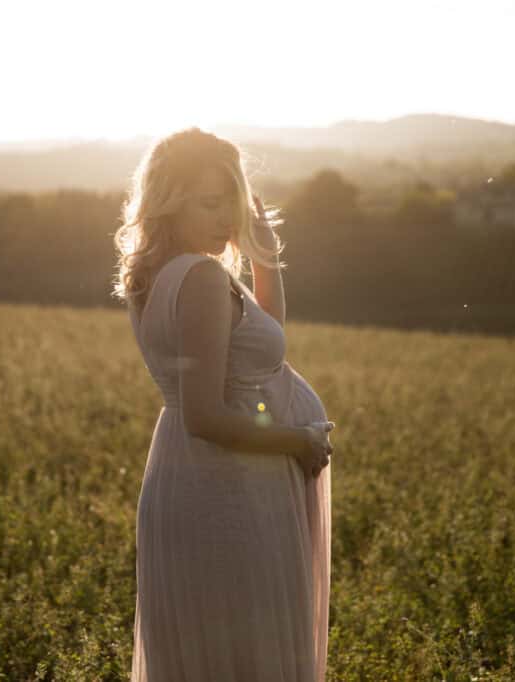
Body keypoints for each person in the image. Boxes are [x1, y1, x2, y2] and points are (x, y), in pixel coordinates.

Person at [112, 126, 336, 681]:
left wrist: (264, 254)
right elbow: (207, 415)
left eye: (230, 203)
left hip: (194, 479)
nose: (224, 219)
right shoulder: (203, 278)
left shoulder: (162, 275)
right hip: (228, 492)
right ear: (168, 202)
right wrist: (300, 440)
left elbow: (261, 346)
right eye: (209, 203)